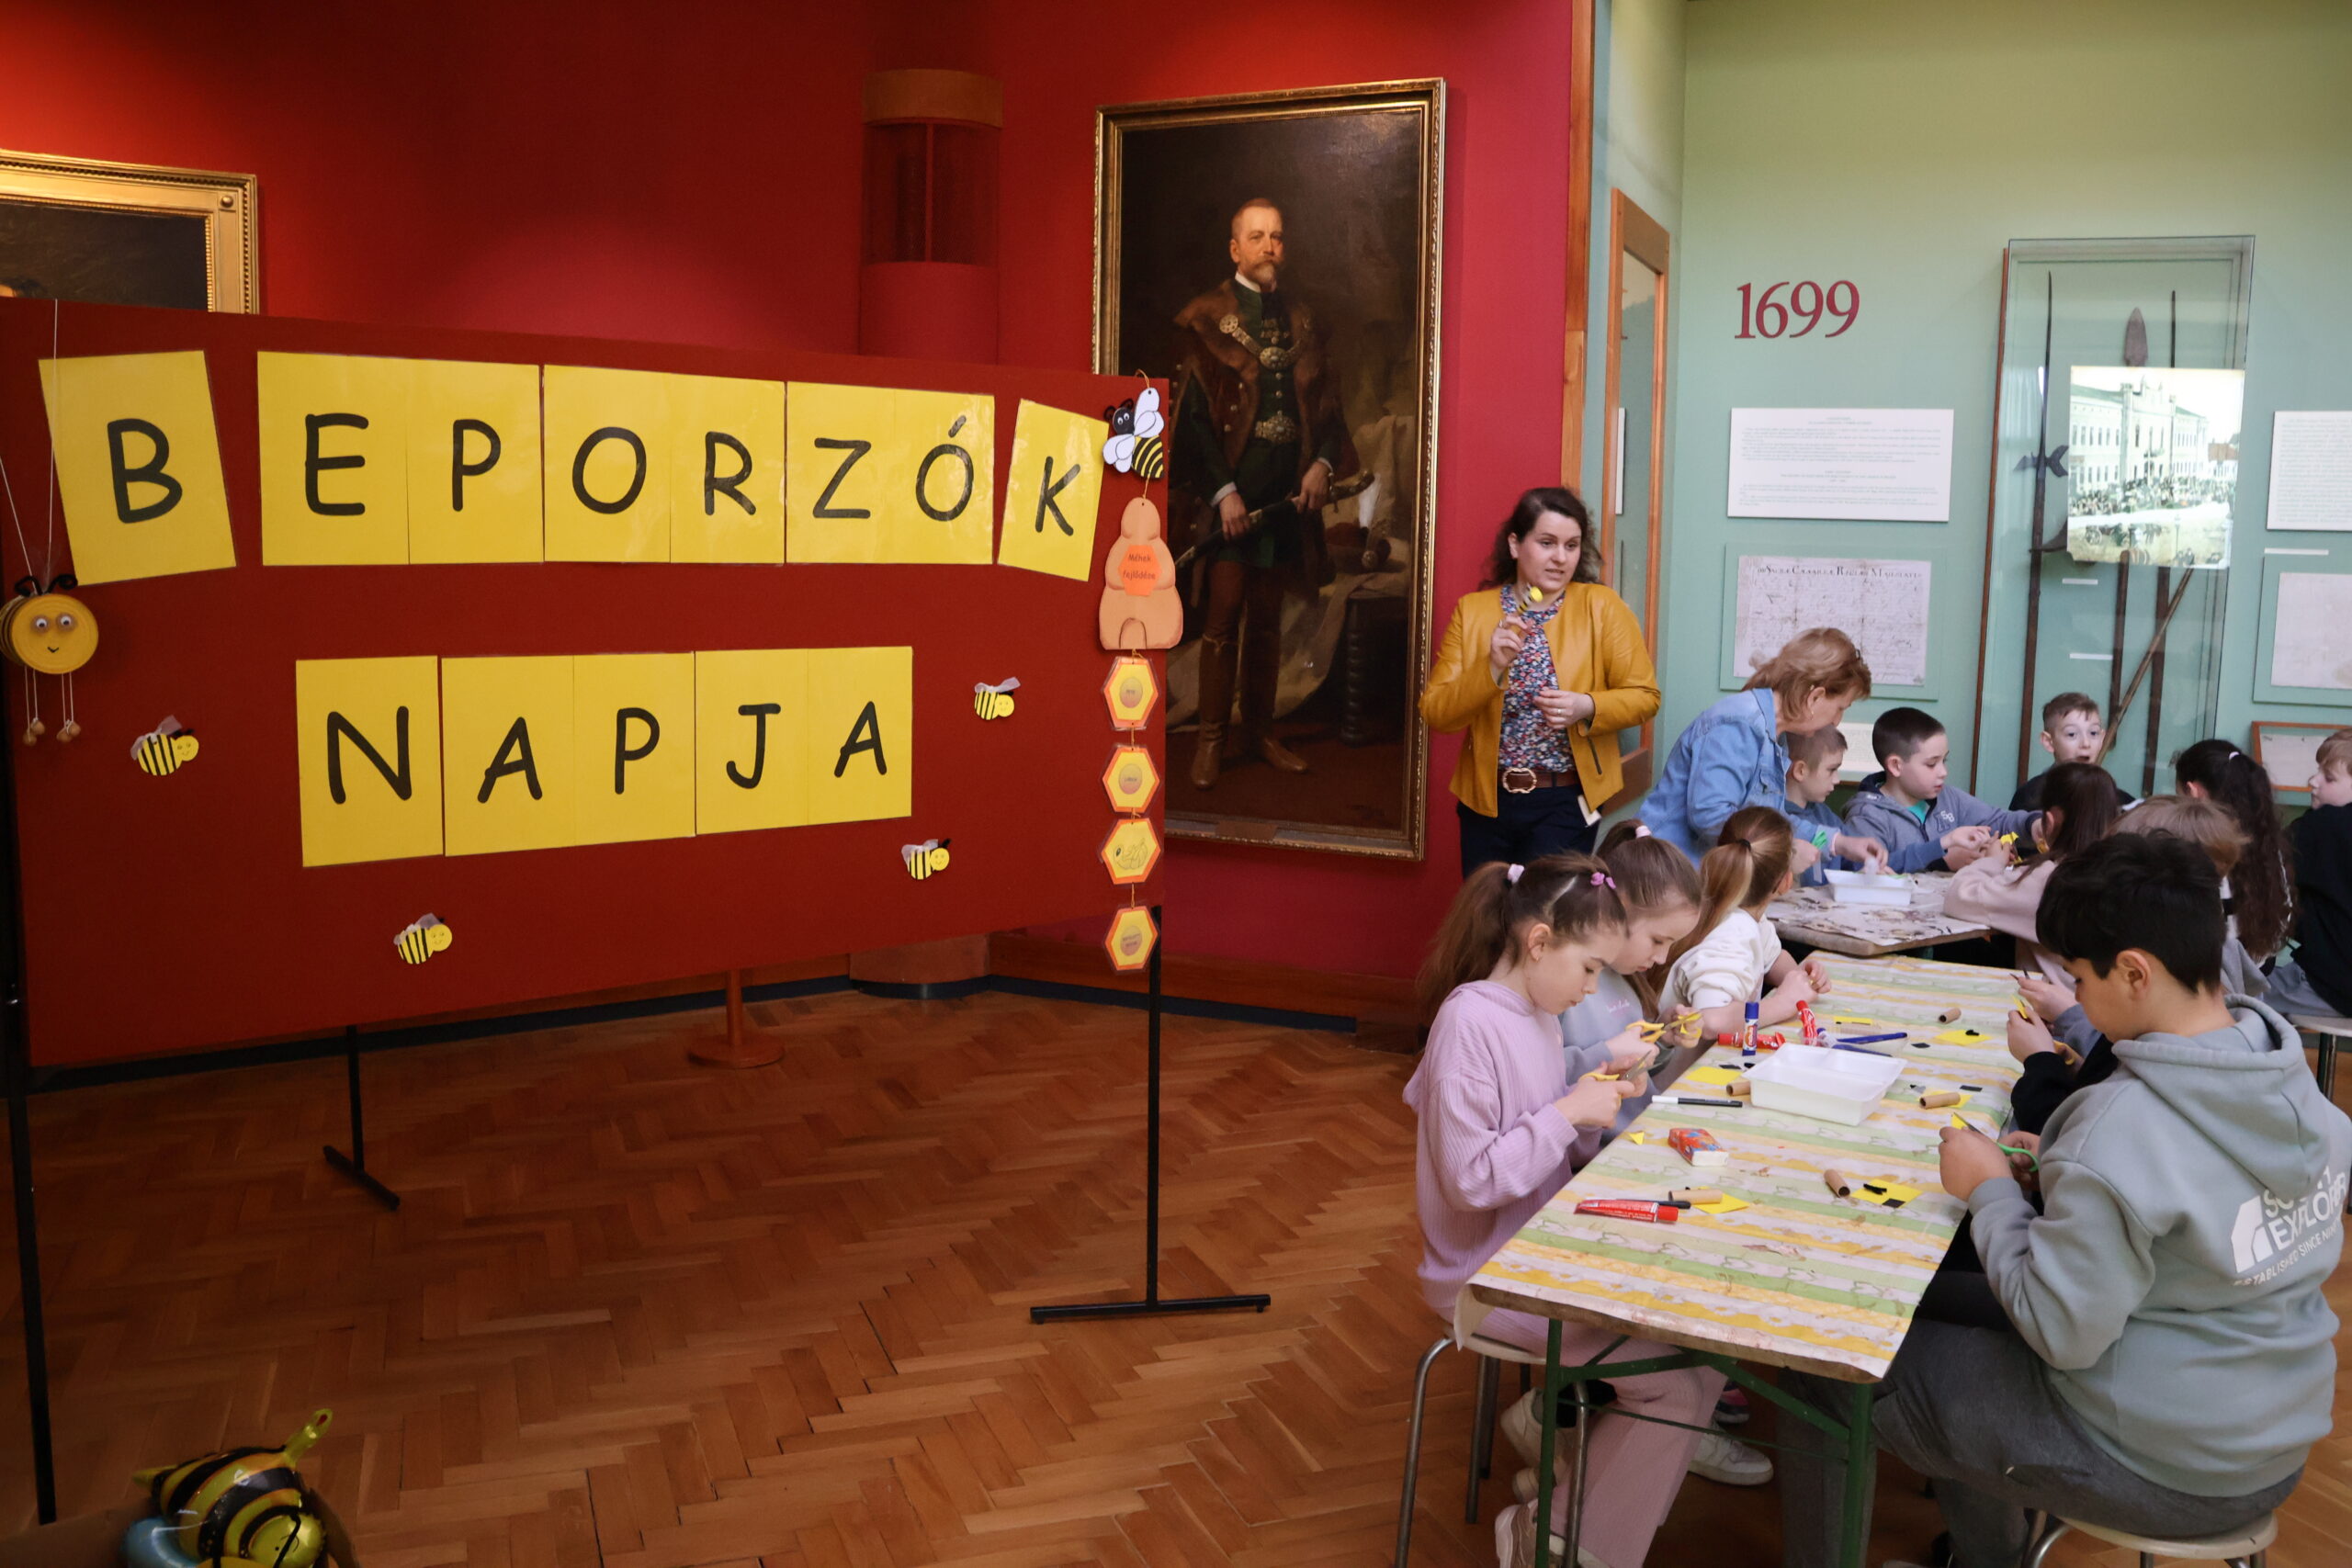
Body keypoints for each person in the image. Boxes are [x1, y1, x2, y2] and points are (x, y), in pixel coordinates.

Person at [1780, 833, 2349, 1568]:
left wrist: (1989, 1188)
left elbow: (2057, 1329)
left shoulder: (2120, 1125)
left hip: (2160, 1461)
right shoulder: (2293, 1081)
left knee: (1822, 1364)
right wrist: (2057, 1177)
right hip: (2269, 1430)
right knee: (1929, 1304)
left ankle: (1987, 1554)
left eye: (2079, 978)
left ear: (2135, 971)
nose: (2075, 997)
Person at [1405, 854, 1769, 1568]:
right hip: (1486, 1276)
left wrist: (1593, 1098)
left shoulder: (1538, 1014)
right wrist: (1570, 1111)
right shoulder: (1468, 1023)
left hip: (1539, 1249)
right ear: (1539, 942)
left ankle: (1571, 1517)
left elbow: (1550, 1148)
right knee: (1676, 1382)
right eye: (1591, 967)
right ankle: (1556, 1540)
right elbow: (1470, 1180)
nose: (1594, 987)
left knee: (1704, 1352)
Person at [1168, 197, 1359, 791]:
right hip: (1233, 505)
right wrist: (1223, 493)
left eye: (1276, 236)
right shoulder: (1205, 319)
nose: (1269, 246)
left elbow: (1329, 414)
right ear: (1235, 249)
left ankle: (1260, 734)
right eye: (1256, 237)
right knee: (1223, 618)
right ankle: (1211, 740)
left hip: (1287, 504)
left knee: (1269, 623)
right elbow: (1193, 425)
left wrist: (1321, 465)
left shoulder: (1304, 320)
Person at [1421, 487, 1660, 872]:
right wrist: (1491, 668)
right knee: (1488, 908)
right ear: (1515, 545)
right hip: (1487, 800)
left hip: (1566, 799)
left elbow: (1645, 696)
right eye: (1547, 543)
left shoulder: (1602, 607)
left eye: (1572, 545)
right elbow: (1437, 713)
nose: (1560, 558)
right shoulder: (1473, 612)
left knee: (1546, 907)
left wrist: (1586, 706)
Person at [2009, 795, 2260, 1134]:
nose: (2078, 994)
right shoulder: (2224, 1013)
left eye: (2080, 980)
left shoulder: (2140, 1101)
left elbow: (2076, 1130)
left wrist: (2040, 1061)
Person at [1641, 627, 1885, 872]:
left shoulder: (1775, 736)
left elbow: (1773, 821)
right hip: (1663, 875)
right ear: (1815, 698)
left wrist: (1837, 843)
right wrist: (1786, 850)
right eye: (1840, 708)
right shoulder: (1738, 723)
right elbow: (1710, 817)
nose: (1836, 721)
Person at [1657, 807, 1830, 1038]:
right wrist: (1783, 1003)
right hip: (1685, 1060)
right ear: (1785, 881)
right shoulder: (1734, 932)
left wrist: (1803, 978)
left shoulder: (1747, 917)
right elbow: (1711, 1021)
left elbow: (1773, 959)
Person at [1943, 761, 2121, 981]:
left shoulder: (2049, 878)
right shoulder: (2122, 871)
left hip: (2054, 997)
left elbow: (1959, 898)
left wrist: (1992, 862)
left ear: (2048, 822)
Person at [1842, 707, 2041, 873]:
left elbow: (1999, 821)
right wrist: (1940, 861)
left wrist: (2034, 825)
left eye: (1944, 760)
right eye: (1931, 764)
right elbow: (1865, 869)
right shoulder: (1866, 815)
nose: (1943, 772)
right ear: (1896, 766)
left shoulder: (1949, 797)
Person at [2176, 738, 2296, 964]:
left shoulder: (2201, 853)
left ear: (2192, 792)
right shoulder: (2268, 844)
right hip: (2257, 968)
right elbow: (2282, 921)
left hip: (2212, 973)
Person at [2269, 728, 2352, 1019]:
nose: (2313, 781)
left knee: (2231, 998)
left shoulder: (2326, 825)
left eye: (2329, 778)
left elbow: (2264, 863)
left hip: (2332, 987)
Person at [2008, 692, 2134, 812]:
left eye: (2093, 733)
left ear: (2102, 738)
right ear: (2048, 741)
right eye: (2072, 734)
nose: (2086, 743)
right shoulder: (2030, 797)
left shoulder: (2121, 802)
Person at [1782, 727, 1849, 887]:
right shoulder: (1776, 822)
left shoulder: (1826, 816)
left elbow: (1851, 859)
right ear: (1801, 771)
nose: (1837, 780)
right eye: (1831, 770)